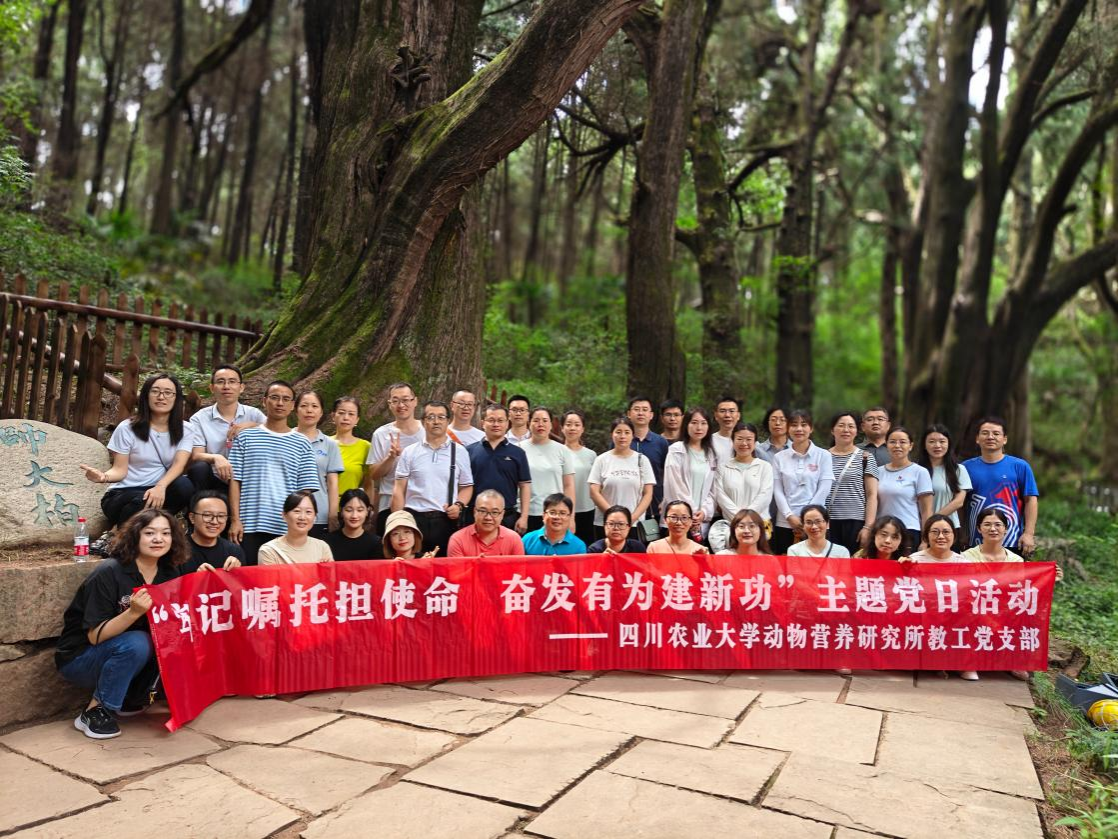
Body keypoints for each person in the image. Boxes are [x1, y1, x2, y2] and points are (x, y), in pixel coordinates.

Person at [55, 509, 189, 739]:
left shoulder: (169, 572)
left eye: (166, 533)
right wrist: (133, 613)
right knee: (138, 641)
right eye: (150, 533)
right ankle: (95, 711)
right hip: (81, 658)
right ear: (135, 536)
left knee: (171, 637)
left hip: (127, 653)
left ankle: (130, 696)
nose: (158, 539)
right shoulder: (109, 572)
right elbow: (95, 636)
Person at [81, 373, 195, 531]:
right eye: (155, 391)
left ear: (176, 398)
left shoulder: (186, 429)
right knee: (143, 500)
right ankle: (122, 536)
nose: (161, 397)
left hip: (158, 491)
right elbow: (120, 470)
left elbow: (179, 465)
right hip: (123, 494)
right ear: (146, 396)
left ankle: (150, 528)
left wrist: (160, 486)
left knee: (184, 486)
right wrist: (103, 477)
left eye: (168, 392)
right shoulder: (127, 428)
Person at [228, 380, 322, 565]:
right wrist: (235, 520)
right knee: (249, 578)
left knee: (283, 580)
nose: (280, 403)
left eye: (286, 399)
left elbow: (305, 492)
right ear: (264, 401)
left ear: (292, 405)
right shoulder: (245, 437)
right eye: (274, 398)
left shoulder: (302, 443)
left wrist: (298, 525)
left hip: (285, 528)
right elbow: (235, 481)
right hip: (248, 524)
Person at [392, 400, 473, 557]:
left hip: (444, 519)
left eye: (441, 417)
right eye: (431, 417)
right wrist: (399, 522)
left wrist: (459, 505)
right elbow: (399, 489)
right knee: (413, 564)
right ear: (423, 422)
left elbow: (467, 486)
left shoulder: (459, 451)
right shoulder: (410, 452)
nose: (436, 421)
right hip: (414, 519)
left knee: (444, 565)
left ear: (448, 421)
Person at [958, 507, 1031, 681]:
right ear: (978, 528)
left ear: (1006, 529)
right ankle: (967, 663)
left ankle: (1014, 661)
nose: (993, 529)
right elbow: (962, 589)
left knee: (1024, 612)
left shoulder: (1016, 560)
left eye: (998, 525)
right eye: (987, 524)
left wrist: (1051, 576)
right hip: (975, 607)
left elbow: (1021, 589)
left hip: (1004, 608)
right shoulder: (966, 557)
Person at [962, 417, 1039, 554]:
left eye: (996, 433)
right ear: (977, 438)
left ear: (1005, 439)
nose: (990, 437)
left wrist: (1028, 533)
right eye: (985, 433)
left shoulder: (1020, 466)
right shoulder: (965, 468)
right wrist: (962, 533)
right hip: (976, 541)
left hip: (1012, 540)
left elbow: (1031, 500)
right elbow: (960, 504)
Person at [185, 364, 265, 492]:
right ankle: (203, 502)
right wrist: (217, 458)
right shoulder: (199, 418)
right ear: (212, 388)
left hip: (247, 478)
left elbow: (276, 432)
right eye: (220, 382)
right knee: (199, 468)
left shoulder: (254, 415)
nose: (226, 386)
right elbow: (196, 455)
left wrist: (253, 425)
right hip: (215, 477)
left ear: (241, 387)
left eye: (232, 381)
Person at [364, 382, 425, 534]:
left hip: (422, 501)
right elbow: (374, 474)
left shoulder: (427, 430)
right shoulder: (381, 434)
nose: (401, 405)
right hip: (389, 500)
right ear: (389, 404)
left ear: (415, 401)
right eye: (395, 401)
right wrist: (390, 457)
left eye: (405, 400)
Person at [771, 409, 834, 554]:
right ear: (788, 429)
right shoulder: (779, 458)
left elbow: (824, 488)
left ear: (811, 428)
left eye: (804, 424)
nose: (799, 429)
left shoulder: (823, 455)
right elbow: (777, 490)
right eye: (794, 425)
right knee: (786, 561)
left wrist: (808, 516)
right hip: (786, 522)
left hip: (816, 522)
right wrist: (789, 516)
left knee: (818, 561)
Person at [710, 422, 774, 552]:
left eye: (749, 439)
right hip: (732, 527)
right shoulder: (723, 468)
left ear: (755, 442)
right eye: (739, 439)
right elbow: (721, 496)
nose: (744, 443)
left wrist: (747, 519)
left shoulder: (765, 467)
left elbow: (765, 495)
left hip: (759, 527)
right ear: (732, 441)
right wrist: (740, 520)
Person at [588, 417, 656, 540]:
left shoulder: (642, 460)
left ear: (632, 435)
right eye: (618, 432)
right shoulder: (601, 460)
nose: (622, 436)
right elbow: (594, 492)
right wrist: (613, 517)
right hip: (606, 523)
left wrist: (631, 518)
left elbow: (648, 494)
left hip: (634, 523)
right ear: (612, 434)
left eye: (627, 432)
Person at [468, 403, 531, 533]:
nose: (496, 424)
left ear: (507, 423)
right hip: (475, 515)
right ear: (482, 423)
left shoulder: (518, 453)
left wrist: (524, 517)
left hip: (507, 516)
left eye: (500, 420)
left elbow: (525, 485)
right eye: (491, 420)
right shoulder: (469, 451)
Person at [827, 411, 880, 555]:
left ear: (857, 431)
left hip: (855, 522)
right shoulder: (822, 456)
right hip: (827, 521)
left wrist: (868, 527)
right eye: (841, 425)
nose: (846, 430)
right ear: (832, 430)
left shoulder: (866, 457)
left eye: (851, 426)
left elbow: (872, 495)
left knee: (853, 562)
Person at [661, 408, 718, 538]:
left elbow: (712, 489)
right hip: (678, 518)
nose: (699, 427)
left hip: (699, 521)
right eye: (694, 423)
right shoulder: (677, 450)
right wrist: (690, 513)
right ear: (686, 425)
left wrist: (704, 512)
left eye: (703, 423)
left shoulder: (711, 454)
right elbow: (675, 486)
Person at [294, 389, 343, 538]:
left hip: (319, 514)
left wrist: (333, 515)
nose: (309, 410)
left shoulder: (330, 444)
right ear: (295, 410)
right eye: (304, 406)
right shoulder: (285, 439)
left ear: (321, 412)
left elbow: (332, 483)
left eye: (314, 406)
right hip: (288, 512)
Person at [876, 426, 933, 550]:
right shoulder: (878, 472)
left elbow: (926, 511)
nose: (897, 446)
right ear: (886, 445)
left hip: (909, 531)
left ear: (910, 446)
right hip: (882, 532)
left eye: (902, 442)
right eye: (892, 442)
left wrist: (925, 540)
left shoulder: (920, 472)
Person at [520, 407, 576, 532]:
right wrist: (522, 516)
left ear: (551, 424)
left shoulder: (562, 450)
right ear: (529, 423)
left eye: (545, 421)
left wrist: (571, 518)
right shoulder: (519, 449)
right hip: (526, 512)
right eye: (536, 420)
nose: (540, 424)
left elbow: (568, 485)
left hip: (556, 514)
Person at [918, 423, 971, 544]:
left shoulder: (959, 469)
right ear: (924, 445)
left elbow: (959, 501)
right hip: (919, 528)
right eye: (932, 441)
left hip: (949, 528)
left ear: (949, 444)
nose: (937, 445)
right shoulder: (917, 470)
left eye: (942, 441)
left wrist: (932, 521)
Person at [621, 397, 670, 522]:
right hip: (625, 504)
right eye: (636, 409)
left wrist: (666, 499)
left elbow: (668, 474)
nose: (640, 413)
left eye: (644, 410)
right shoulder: (621, 441)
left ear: (651, 415)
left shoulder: (661, 442)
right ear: (629, 414)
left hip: (655, 505)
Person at [258, 492, 334, 565]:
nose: (302, 517)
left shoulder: (322, 547)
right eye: (297, 511)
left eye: (308, 512)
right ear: (284, 515)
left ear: (315, 516)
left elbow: (331, 574)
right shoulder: (269, 550)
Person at [448, 489, 525, 557]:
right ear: (474, 512)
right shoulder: (458, 540)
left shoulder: (514, 539)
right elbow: (456, 569)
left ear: (502, 514)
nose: (488, 518)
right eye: (483, 511)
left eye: (494, 512)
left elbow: (518, 569)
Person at [181, 490, 244, 574]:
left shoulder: (234, 551)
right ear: (192, 518)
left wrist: (237, 572)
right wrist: (196, 578)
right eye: (207, 515)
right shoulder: (177, 550)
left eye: (221, 516)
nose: (214, 522)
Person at [561, 409, 597, 545]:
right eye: (568, 424)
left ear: (583, 429)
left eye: (577, 425)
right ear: (562, 428)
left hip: (587, 508)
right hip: (563, 508)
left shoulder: (591, 455)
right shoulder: (557, 451)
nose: (572, 428)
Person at [324, 488, 383, 560]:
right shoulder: (327, 541)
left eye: (360, 510)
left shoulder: (376, 542)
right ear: (341, 511)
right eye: (349, 510)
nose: (354, 516)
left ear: (367, 512)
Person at [522, 493, 588, 555]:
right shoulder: (527, 540)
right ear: (543, 515)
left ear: (569, 517)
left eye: (562, 513)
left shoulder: (578, 546)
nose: (557, 517)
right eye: (552, 512)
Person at [330, 396, 370, 494]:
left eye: (351, 414)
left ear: (357, 419)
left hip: (350, 502)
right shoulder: (323, 443)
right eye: (341, 413)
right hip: (321, 502)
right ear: (333, 416)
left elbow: (369, 484)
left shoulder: (366, 447)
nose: (346, 418)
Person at [711, 396, 742, 464]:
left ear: (738, 415)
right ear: (716, 415)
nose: (727, 415)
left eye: (732, 411)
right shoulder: (709, 441)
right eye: (722, 411)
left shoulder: (747, 441)